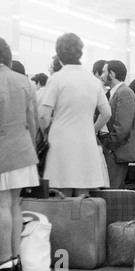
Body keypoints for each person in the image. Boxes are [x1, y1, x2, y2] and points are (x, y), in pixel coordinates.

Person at [39, 33, 112, 197]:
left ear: (59, 55)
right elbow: (106, 113)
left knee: (61, 192)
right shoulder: (93, 81)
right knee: (83, 195)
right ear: (80, 53)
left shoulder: (57, 79)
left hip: (60, 142)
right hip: (86, 142)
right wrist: (92, 129)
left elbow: (43, 116)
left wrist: (45, 134)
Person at [0, 37, 39, 271]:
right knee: (15, 205)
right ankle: (15, 259)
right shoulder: (23, 81)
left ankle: (3, 260)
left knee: (1, 205)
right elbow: (33, 121)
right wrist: (30, 147)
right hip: (23, 151)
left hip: (2, 151)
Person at [99, 60, 135, 189]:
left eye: (104, 71)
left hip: (116, 151)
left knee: (112, 189)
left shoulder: (125, 93)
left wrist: (109, 146)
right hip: (113, 150)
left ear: (112, 74)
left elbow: (123, 126)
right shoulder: (113, 93)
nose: (101, 75)